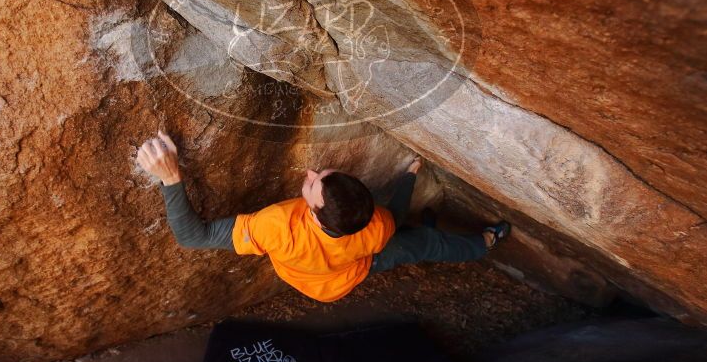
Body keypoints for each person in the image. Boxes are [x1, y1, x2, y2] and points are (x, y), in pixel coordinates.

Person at [136, 130, 511, 303]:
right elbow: (393, 215)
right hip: (366, 260)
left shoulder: (277, 229)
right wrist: (409, 177)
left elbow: (193, 236)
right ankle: (483, 243)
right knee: (423, 242)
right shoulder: (375, 225)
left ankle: (481, 246)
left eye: (313, 184)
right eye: (321, 177)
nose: (310, 174)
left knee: (419, 239)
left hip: (325, 282)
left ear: (315, 215)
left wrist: (171, 177)